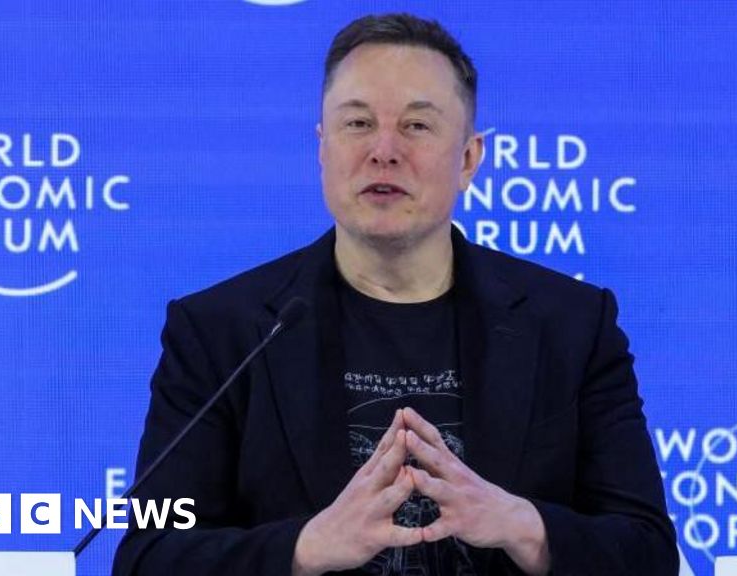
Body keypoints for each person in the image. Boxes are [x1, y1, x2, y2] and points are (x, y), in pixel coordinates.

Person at [113, 13, 678, 576]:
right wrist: (305, 547)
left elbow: (648, 552)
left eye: (417, 125)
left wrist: (522, 526)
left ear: (468, 159)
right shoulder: (221, 333)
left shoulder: (572, 327)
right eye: (358, 123)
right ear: (322, 148)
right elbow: (148, 556)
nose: (383, 150)